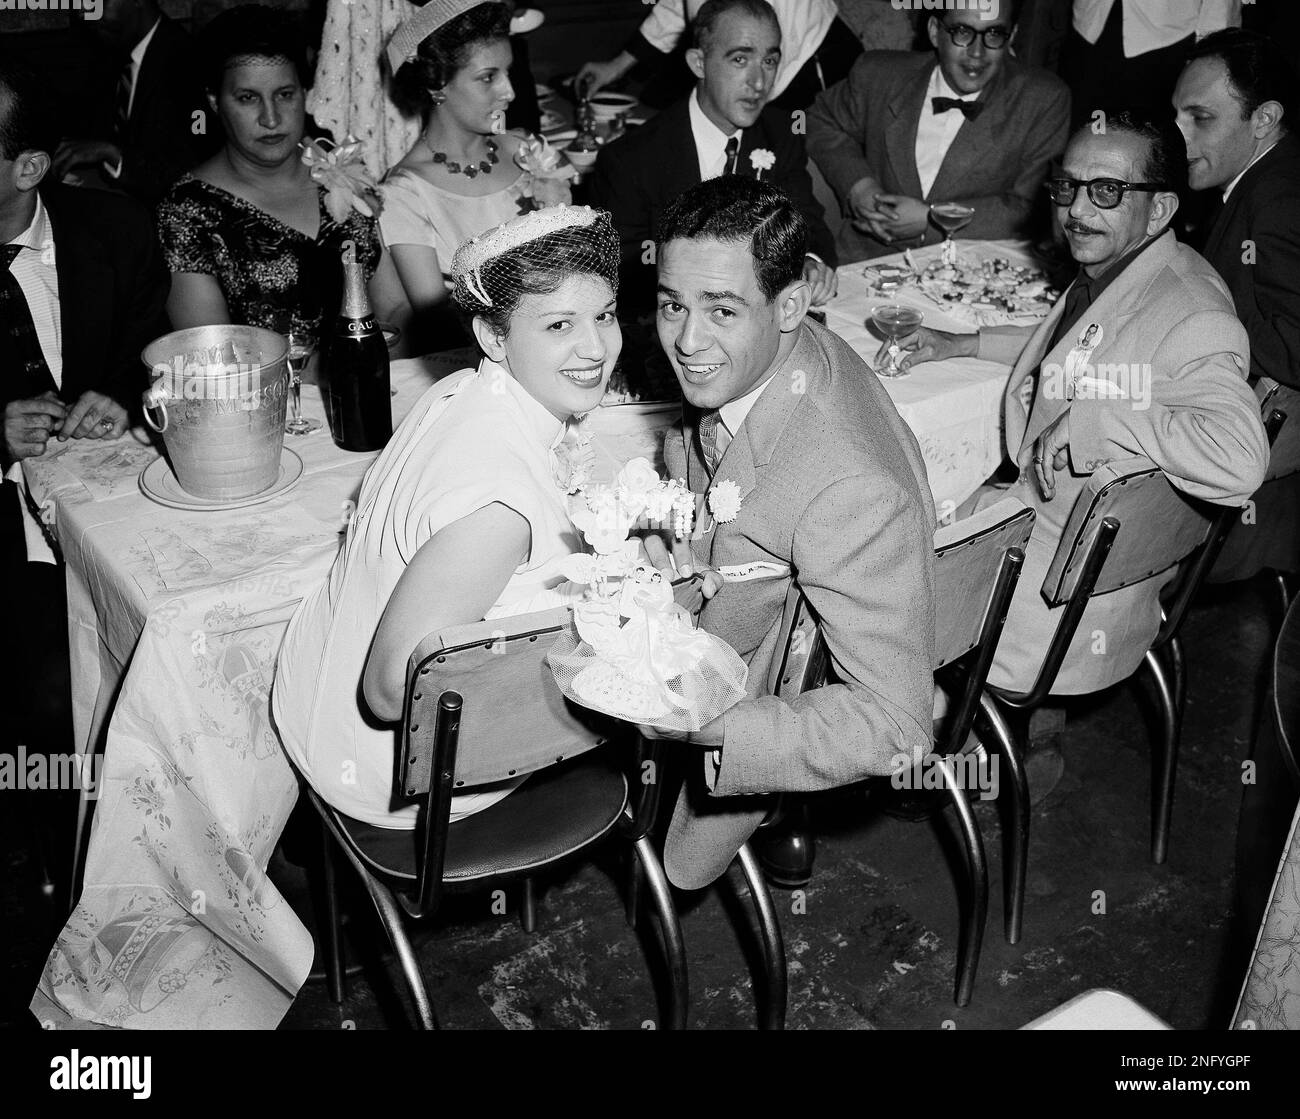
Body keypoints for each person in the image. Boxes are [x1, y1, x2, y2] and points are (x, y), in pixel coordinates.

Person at [892, 112, 1269, 698]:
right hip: (1052, 559)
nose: (1077, 210)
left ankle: (930, 740)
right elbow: (1083, 350)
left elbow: (1241, 460)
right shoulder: (1127, 268)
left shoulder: (1192, 313)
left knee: (851, 579)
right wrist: (961, 343)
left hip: (1048, 612)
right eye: (1068, 187)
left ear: (1161, 209)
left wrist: (1098, 416)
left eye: (1108, 191)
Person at [273, 205, 622, 829]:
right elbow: (388, 693)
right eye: (559, 325)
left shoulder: (463, 388)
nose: (595, 348)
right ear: (493, 336)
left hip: (312, 694)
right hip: (410, 782)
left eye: (605, 316)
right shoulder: (499, 513)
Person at [637, 176, 936, 891]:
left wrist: (701, 726)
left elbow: (899, 728)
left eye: (721, 309)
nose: (685, 339)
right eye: (672, 303)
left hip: (744, 689)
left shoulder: (848, 488)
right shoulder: (777, 357)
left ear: (792, 304)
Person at [1, 62, 170, 880]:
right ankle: (71, 870)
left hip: (117, 509)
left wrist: (124, 396)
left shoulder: (115, 228)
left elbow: (157, 348)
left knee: (175, 659)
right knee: (45, 703)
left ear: (27, 168)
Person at [156, 5, 408, 343]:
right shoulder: (188, 212)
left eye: (284, 95)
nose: (271, 118)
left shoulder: (339, 174)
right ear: (215, 102)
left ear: (305, 94)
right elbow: (213, 355)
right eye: (248, 98)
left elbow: (395, 309)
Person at [589, 0, 838, 324]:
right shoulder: (631, 159)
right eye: (739, 59)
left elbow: (810, 226)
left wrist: (809, 260)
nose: (759, 82)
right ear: (698, 63)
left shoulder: (781, 136)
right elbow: (624, 279)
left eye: (769, 61)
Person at [1171, 30, 1300, 584]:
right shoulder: (1265, 180)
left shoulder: (1278, 200)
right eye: (1175, 115)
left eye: (1200, 118)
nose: (1177, 136)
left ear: (1264, 118)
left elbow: (1295, 351)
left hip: (1241, 512)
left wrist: (1199, 307)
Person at [806, 0, 1071, 262]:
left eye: (994, 33)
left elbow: (1032, 207)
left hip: (977, 272)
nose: (977, 53)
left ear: (1011, 36)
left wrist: (930, 219)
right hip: (865, 261)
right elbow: (819, 120)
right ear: (934, 31)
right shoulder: (877, 74)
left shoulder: (1043, 100)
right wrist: (859, 187)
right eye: (962, 32)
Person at [380, 0, 573, 352]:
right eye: (488, 78)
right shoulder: (405, 192)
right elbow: (438, 324)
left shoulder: (527, 151)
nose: (509, 92)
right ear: (437, 86)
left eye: (508, 73)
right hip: (475, 359)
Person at [51, 0, 218, 207]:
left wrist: (114, 155)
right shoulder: (111, 50)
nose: (83, 12)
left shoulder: (189, 63)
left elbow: (193, 171)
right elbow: (85, 123)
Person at [576, 0, 863, 113]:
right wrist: (616, 65)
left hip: (812, 61)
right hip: (755, 54)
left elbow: (763, 45)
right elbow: (679, 6)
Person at [1063, 0, 1242, 127]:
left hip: (1163, 43)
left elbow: (1221, 7)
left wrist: (1209, 56)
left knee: (1144, 139)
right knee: (1087, 126)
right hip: (1091, 26)